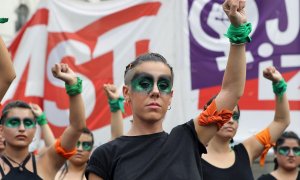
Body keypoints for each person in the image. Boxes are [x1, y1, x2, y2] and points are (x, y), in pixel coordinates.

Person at [85, 0, 251, 179]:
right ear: (127, 93)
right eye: (145, 83)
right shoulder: (105, 155)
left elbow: (231, 91)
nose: (155, 91)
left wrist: (238, 31)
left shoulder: (187, 139)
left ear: (170, 97)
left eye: (163, 85)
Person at [201, 66, 290, 179]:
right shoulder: (193, 156)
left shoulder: (246, 151)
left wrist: (279, 84)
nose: (231, 121)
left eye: (235, 116)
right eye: (225, 115)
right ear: (209, 117)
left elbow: (281, 121)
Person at [0, 63, 86, 179]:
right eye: (14, 122)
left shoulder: (47, 162)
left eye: (28, 123)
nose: (21, 128)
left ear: (35, 130)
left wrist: (73, 84)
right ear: (1, 129)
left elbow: (77, 127)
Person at [55, 84, 124, 180]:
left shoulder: (97, 175)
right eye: (76, 144)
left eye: (86, 145)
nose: (79, 149)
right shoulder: (54, 175)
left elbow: (116, 140)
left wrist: (115, 104)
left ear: (91, 149)